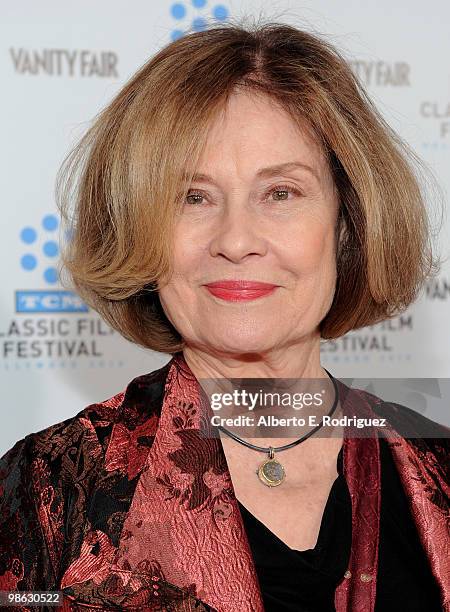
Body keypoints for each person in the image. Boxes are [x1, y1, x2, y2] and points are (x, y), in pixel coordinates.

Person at [0, 20, 449, 612]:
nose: (236, 240)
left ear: (347, 224)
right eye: (193, 197)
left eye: (280, 193)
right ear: (142, 230)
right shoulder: (49, 491)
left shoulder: (438, 473)